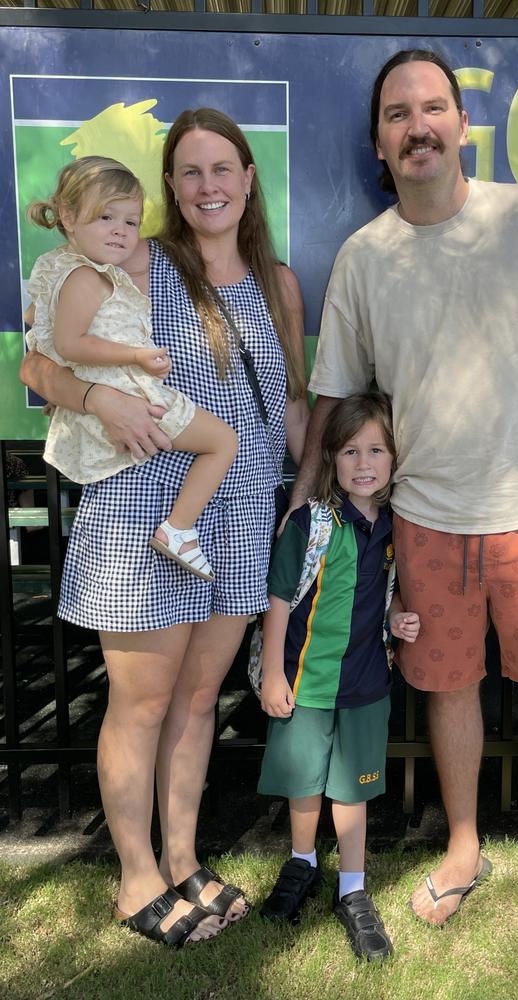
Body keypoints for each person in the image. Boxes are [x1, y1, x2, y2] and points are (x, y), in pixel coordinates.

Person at [291, 50, 518, 943]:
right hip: (427, 522)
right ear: (379, 139)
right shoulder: (365, 259)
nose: (419, 126)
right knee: (449, 690)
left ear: (463, 123)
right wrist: (304, 497)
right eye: (399, 114)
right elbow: (333, 396)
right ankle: (463, 847)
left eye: (434, 107)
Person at [20, 107, 309, 947]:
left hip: (245, 508)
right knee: (141, 705)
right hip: (147, 505)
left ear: (249, 180)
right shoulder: (134, 257)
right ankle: (135, 877)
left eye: (223, 168)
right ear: (171, 189)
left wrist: (309, 490)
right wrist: (98, 396)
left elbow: (288, 404)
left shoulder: (279, 283)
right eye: (189, 171)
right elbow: (39, 359)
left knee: (195, 701)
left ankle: (181, 859)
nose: (208, 185)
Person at [257, 392, 420, 960]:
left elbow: (389, 587)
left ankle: (353, 886)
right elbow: (277, 602)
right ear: (330, 458)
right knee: (304, 782)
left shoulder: (397, 526)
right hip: (306, 680)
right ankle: (302, 862)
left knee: (352, 790)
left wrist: (399, 614)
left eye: (376, 449)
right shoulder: (310, 523)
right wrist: (273, 672)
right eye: (350, 451)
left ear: (395, 457)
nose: (364, 463)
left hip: (366, 682)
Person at [26, 155, 238, 581]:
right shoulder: (87, 277)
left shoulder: (60, 267)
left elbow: (38, 321)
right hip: (133, 396)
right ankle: (178, 529)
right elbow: (68, 344)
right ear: (68, 217)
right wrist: (136, 356)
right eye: (106, 217)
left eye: (131, 222)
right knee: (223, 442)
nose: (121, 231)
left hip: (111, 393)